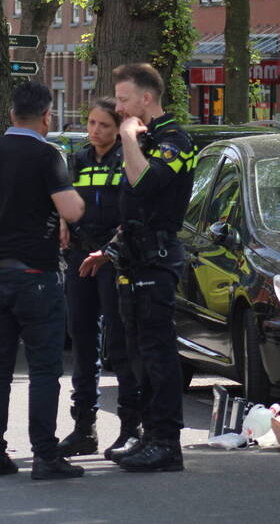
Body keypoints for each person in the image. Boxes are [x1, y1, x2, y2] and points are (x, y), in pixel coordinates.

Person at [0, 81, 85, 480]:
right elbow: (71, 208)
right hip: (36, 273)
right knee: (44, 367)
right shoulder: (48, 156)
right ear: (47, 117)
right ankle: (45, 455)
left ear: (12, 114)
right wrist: (71, 208)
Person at [80, 63, 195, 473]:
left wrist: (128, 137)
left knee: (159, 356)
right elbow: (132, 211)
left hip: (157, 262)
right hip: (130, 258)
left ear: (146, 99)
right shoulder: (146, 139)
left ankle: (167, 443)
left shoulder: (174, 140)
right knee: (137, 354)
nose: (120, 106)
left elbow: (146, 185)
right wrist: (108, 250)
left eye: (125, 99)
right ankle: (147, 435)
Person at [57, 98, 142, 460]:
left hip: (113, 260)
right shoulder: (77, 159)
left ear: (117, 127)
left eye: (104, 125)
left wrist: (108, 251)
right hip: (79, 257)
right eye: (91, 123)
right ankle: (84, 428)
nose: (95, 130)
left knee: (120, 347)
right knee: (83, 342)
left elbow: (135, 211)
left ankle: (129, 428)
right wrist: (62, 221)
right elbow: (62, 198)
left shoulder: (128, 159)